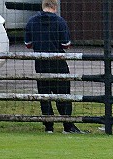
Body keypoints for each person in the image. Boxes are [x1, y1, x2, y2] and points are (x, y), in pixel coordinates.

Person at [24, 0, 82, 134]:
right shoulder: (60, 21)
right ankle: (68, 126)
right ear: (54, 6)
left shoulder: (32, 21)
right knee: (63, 95)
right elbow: (66, 44)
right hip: (58, 62)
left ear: (43, 5)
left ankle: (49, 126)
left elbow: (28, 44)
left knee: (44, 96)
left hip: (40, 63)